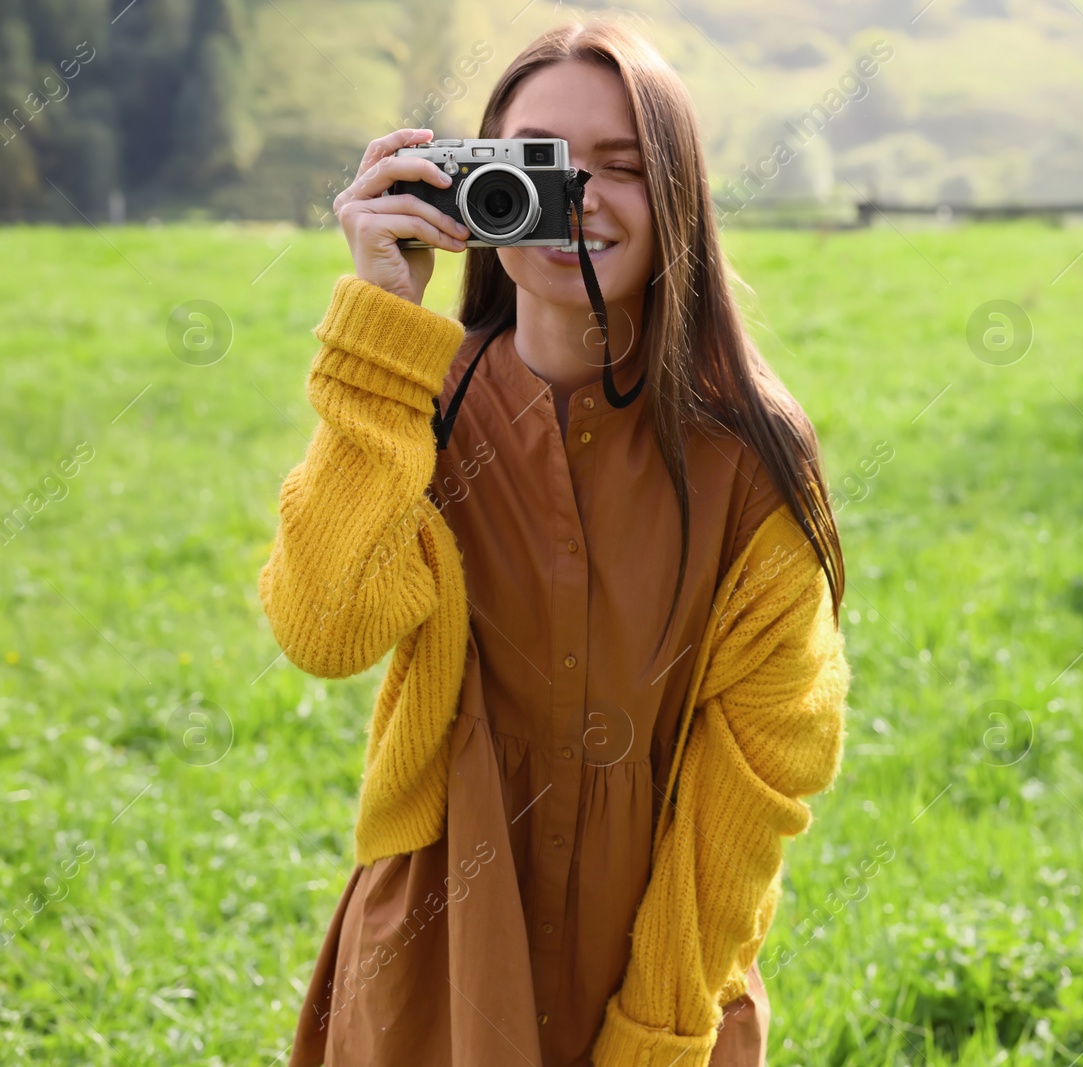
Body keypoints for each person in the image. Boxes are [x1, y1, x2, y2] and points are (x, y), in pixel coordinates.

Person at [259, 20, 849, 1067]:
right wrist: (381, 319)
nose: (576, 198)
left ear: (680, 199)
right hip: (438, 951)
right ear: (469, 184)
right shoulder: (414, 404)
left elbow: (759, 774)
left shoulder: (753, 456)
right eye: (538, 164)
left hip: (669, 952)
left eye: (621, 166)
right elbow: (324, 625)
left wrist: (660, 1026)